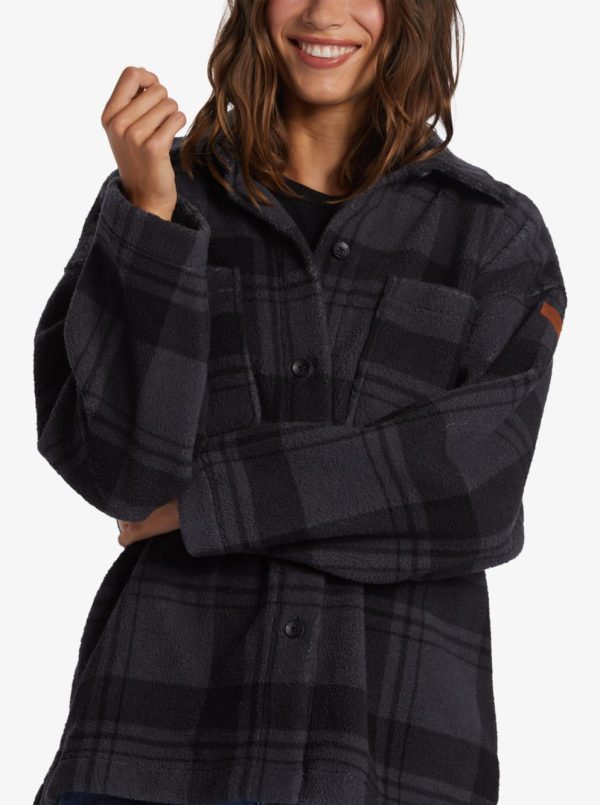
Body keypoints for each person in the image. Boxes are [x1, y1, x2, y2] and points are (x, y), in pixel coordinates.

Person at [33, 1, 568, 804]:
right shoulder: (159, 199)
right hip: (155, 743)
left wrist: (210, 502)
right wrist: (150, 216)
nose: (324, 12)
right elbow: (123, 476)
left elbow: (472, 487)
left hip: (389, 753)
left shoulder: (493, 236)